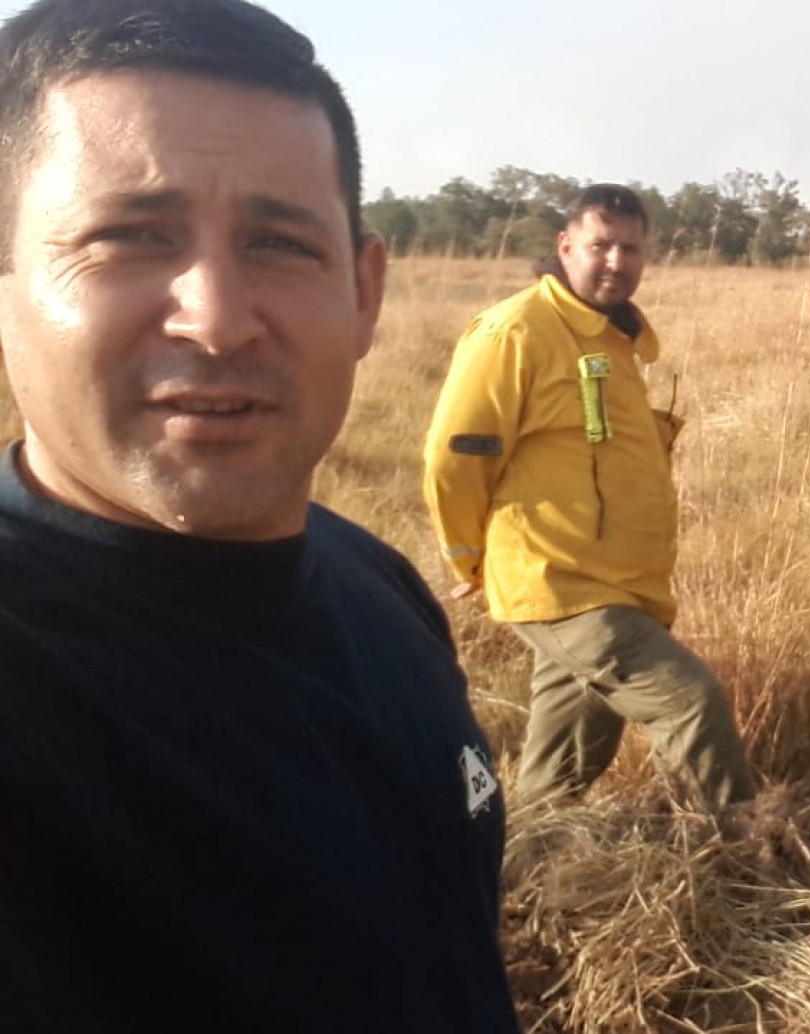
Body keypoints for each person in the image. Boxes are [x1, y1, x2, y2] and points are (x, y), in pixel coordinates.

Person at [0, 1, 519, 1030]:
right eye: (128, 237)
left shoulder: (380, 588)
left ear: (364, 293)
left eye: (280, 243)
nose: (221, 317)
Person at [424, 184, 756, 808]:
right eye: (600, 244)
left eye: (630, 248)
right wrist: (468, 558)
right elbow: (456, 455)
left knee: (564, 768)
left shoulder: (611, 338)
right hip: (561, 583)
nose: (615, 261)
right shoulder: (515, 332)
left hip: (614, 584)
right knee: (690, 703)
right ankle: (749, 861)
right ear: (565, 244)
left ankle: (522, 875)